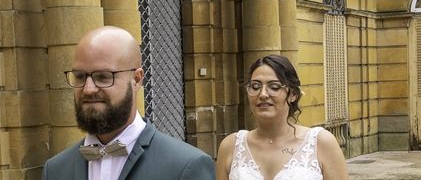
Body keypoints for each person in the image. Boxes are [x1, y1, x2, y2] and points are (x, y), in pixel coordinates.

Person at [42, 26, 215, 180]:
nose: (88, 89)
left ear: (137, 79)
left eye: (103, 77)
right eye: (80, 76)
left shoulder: (186, 166)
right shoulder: (55, 170)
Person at [216, 54, 349, 180]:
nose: (262, 94)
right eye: (255, 86)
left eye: (274, 87)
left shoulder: (320, 143)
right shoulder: (230, 146)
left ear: (293, 94)